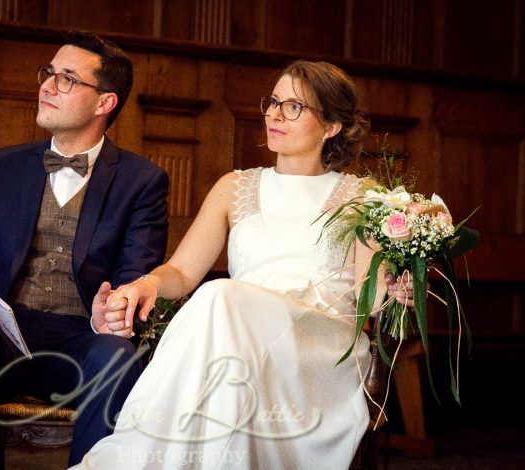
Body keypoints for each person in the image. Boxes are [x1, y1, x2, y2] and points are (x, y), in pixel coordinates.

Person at [76, 60, 412, 469]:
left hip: (318, 347)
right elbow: (181, 273)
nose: (273, 114)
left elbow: (367, 293)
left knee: (220, 297)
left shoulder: (363, 196)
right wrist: (144, 285)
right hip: (234, 335)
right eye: (273, 102)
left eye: (293, 107)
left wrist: (396, 291)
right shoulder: (233, 187)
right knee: (221, 308)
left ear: (331, 126)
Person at [0, 30, 169, 469]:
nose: (47, 85)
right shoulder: (2, 165)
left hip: (82, 339)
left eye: (67, 78)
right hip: (1, 332)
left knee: (118, 358)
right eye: (48, 73)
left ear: (105, 103)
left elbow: (136, 273)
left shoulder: (142, 181)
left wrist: (117, 305)